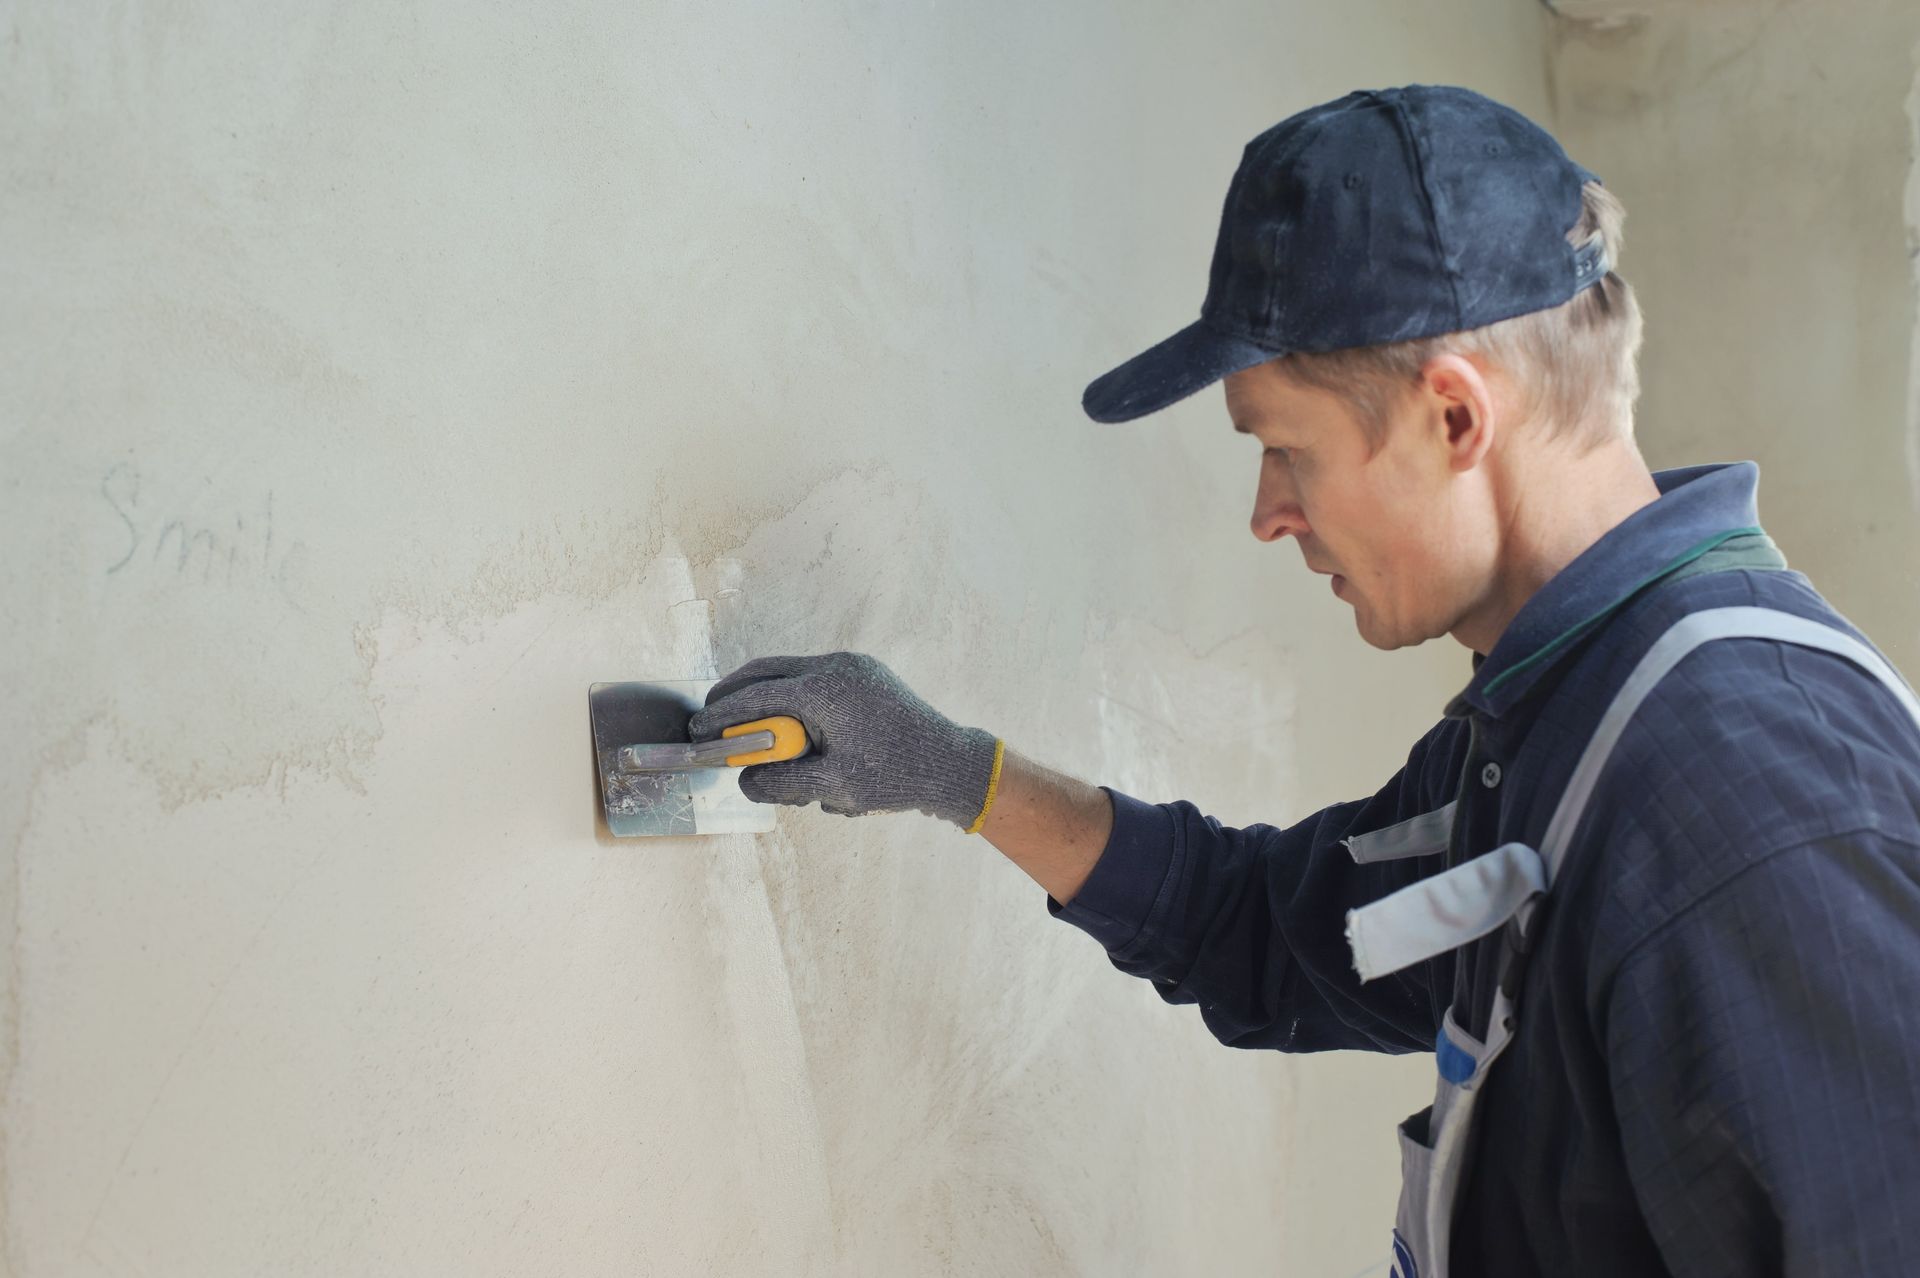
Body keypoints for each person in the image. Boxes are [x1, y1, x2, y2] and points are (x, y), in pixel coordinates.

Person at [688, 85, 1920, 1277]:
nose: (1268, 515)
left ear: (1454, 417)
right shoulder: (1563, 722)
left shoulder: (1740, 797)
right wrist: (956, 774)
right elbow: (1284, 934)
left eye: (1286, 450)